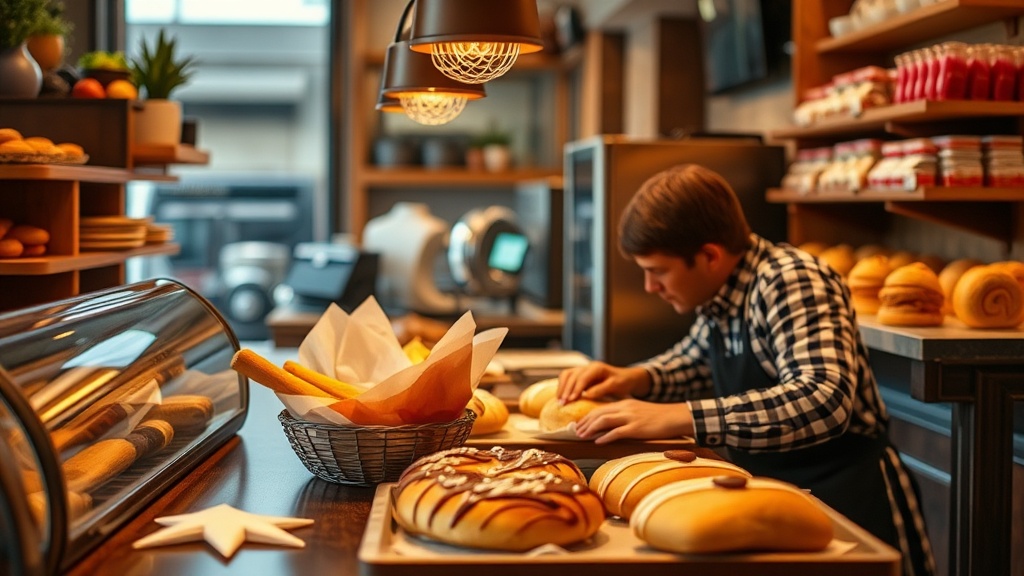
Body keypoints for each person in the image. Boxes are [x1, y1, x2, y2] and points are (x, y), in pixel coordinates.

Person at [557, 164, 935, 576]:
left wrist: (680, 415)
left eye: (658, 271)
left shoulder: (791, 280)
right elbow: (696, 360)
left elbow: (823, 399)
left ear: (709, 256)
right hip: (777, 489)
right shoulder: (723, 292)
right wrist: (634, 377)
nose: (650, 287)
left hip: (849, 491)